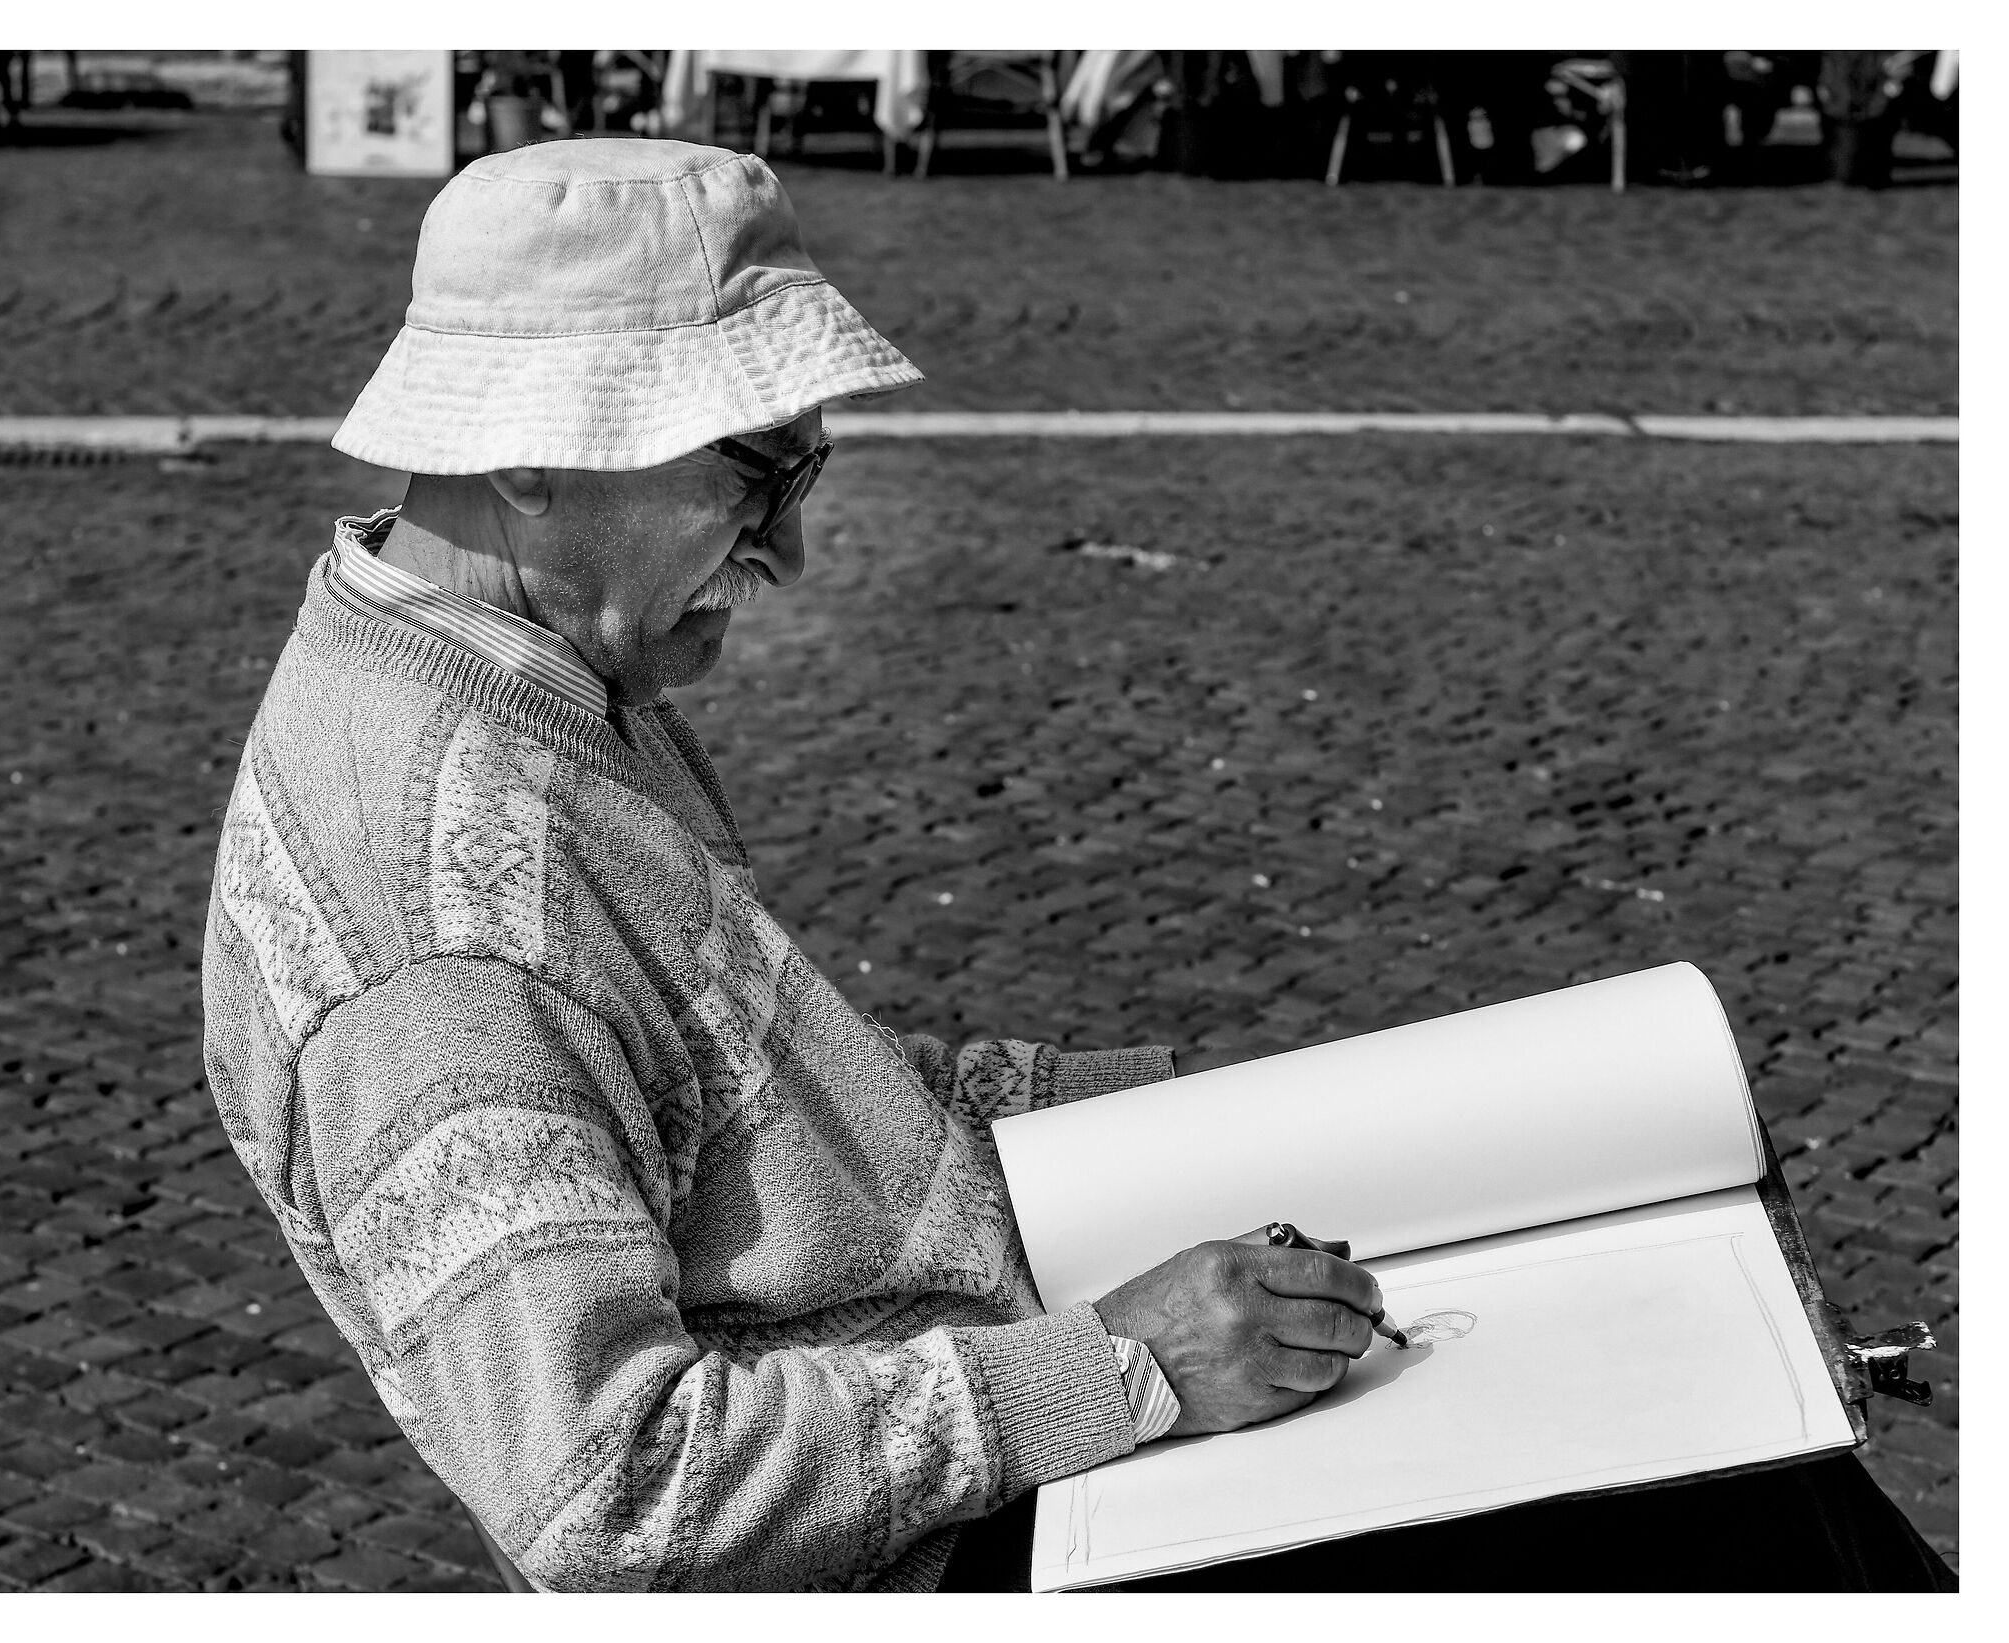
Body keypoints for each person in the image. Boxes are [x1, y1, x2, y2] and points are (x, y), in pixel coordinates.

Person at [200, 137, 1953, 1593]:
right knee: (1717, 1504)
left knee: (1729, 1461)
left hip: (981, 1413)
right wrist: (1129, 1373)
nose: (795, 547)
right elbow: (607, 1494)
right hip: (948, 1555)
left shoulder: (531, 659)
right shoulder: (445, 934)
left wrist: (1239, 1109)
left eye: (807, 463)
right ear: (528, 453)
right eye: (755, 470)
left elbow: (778, 1124)